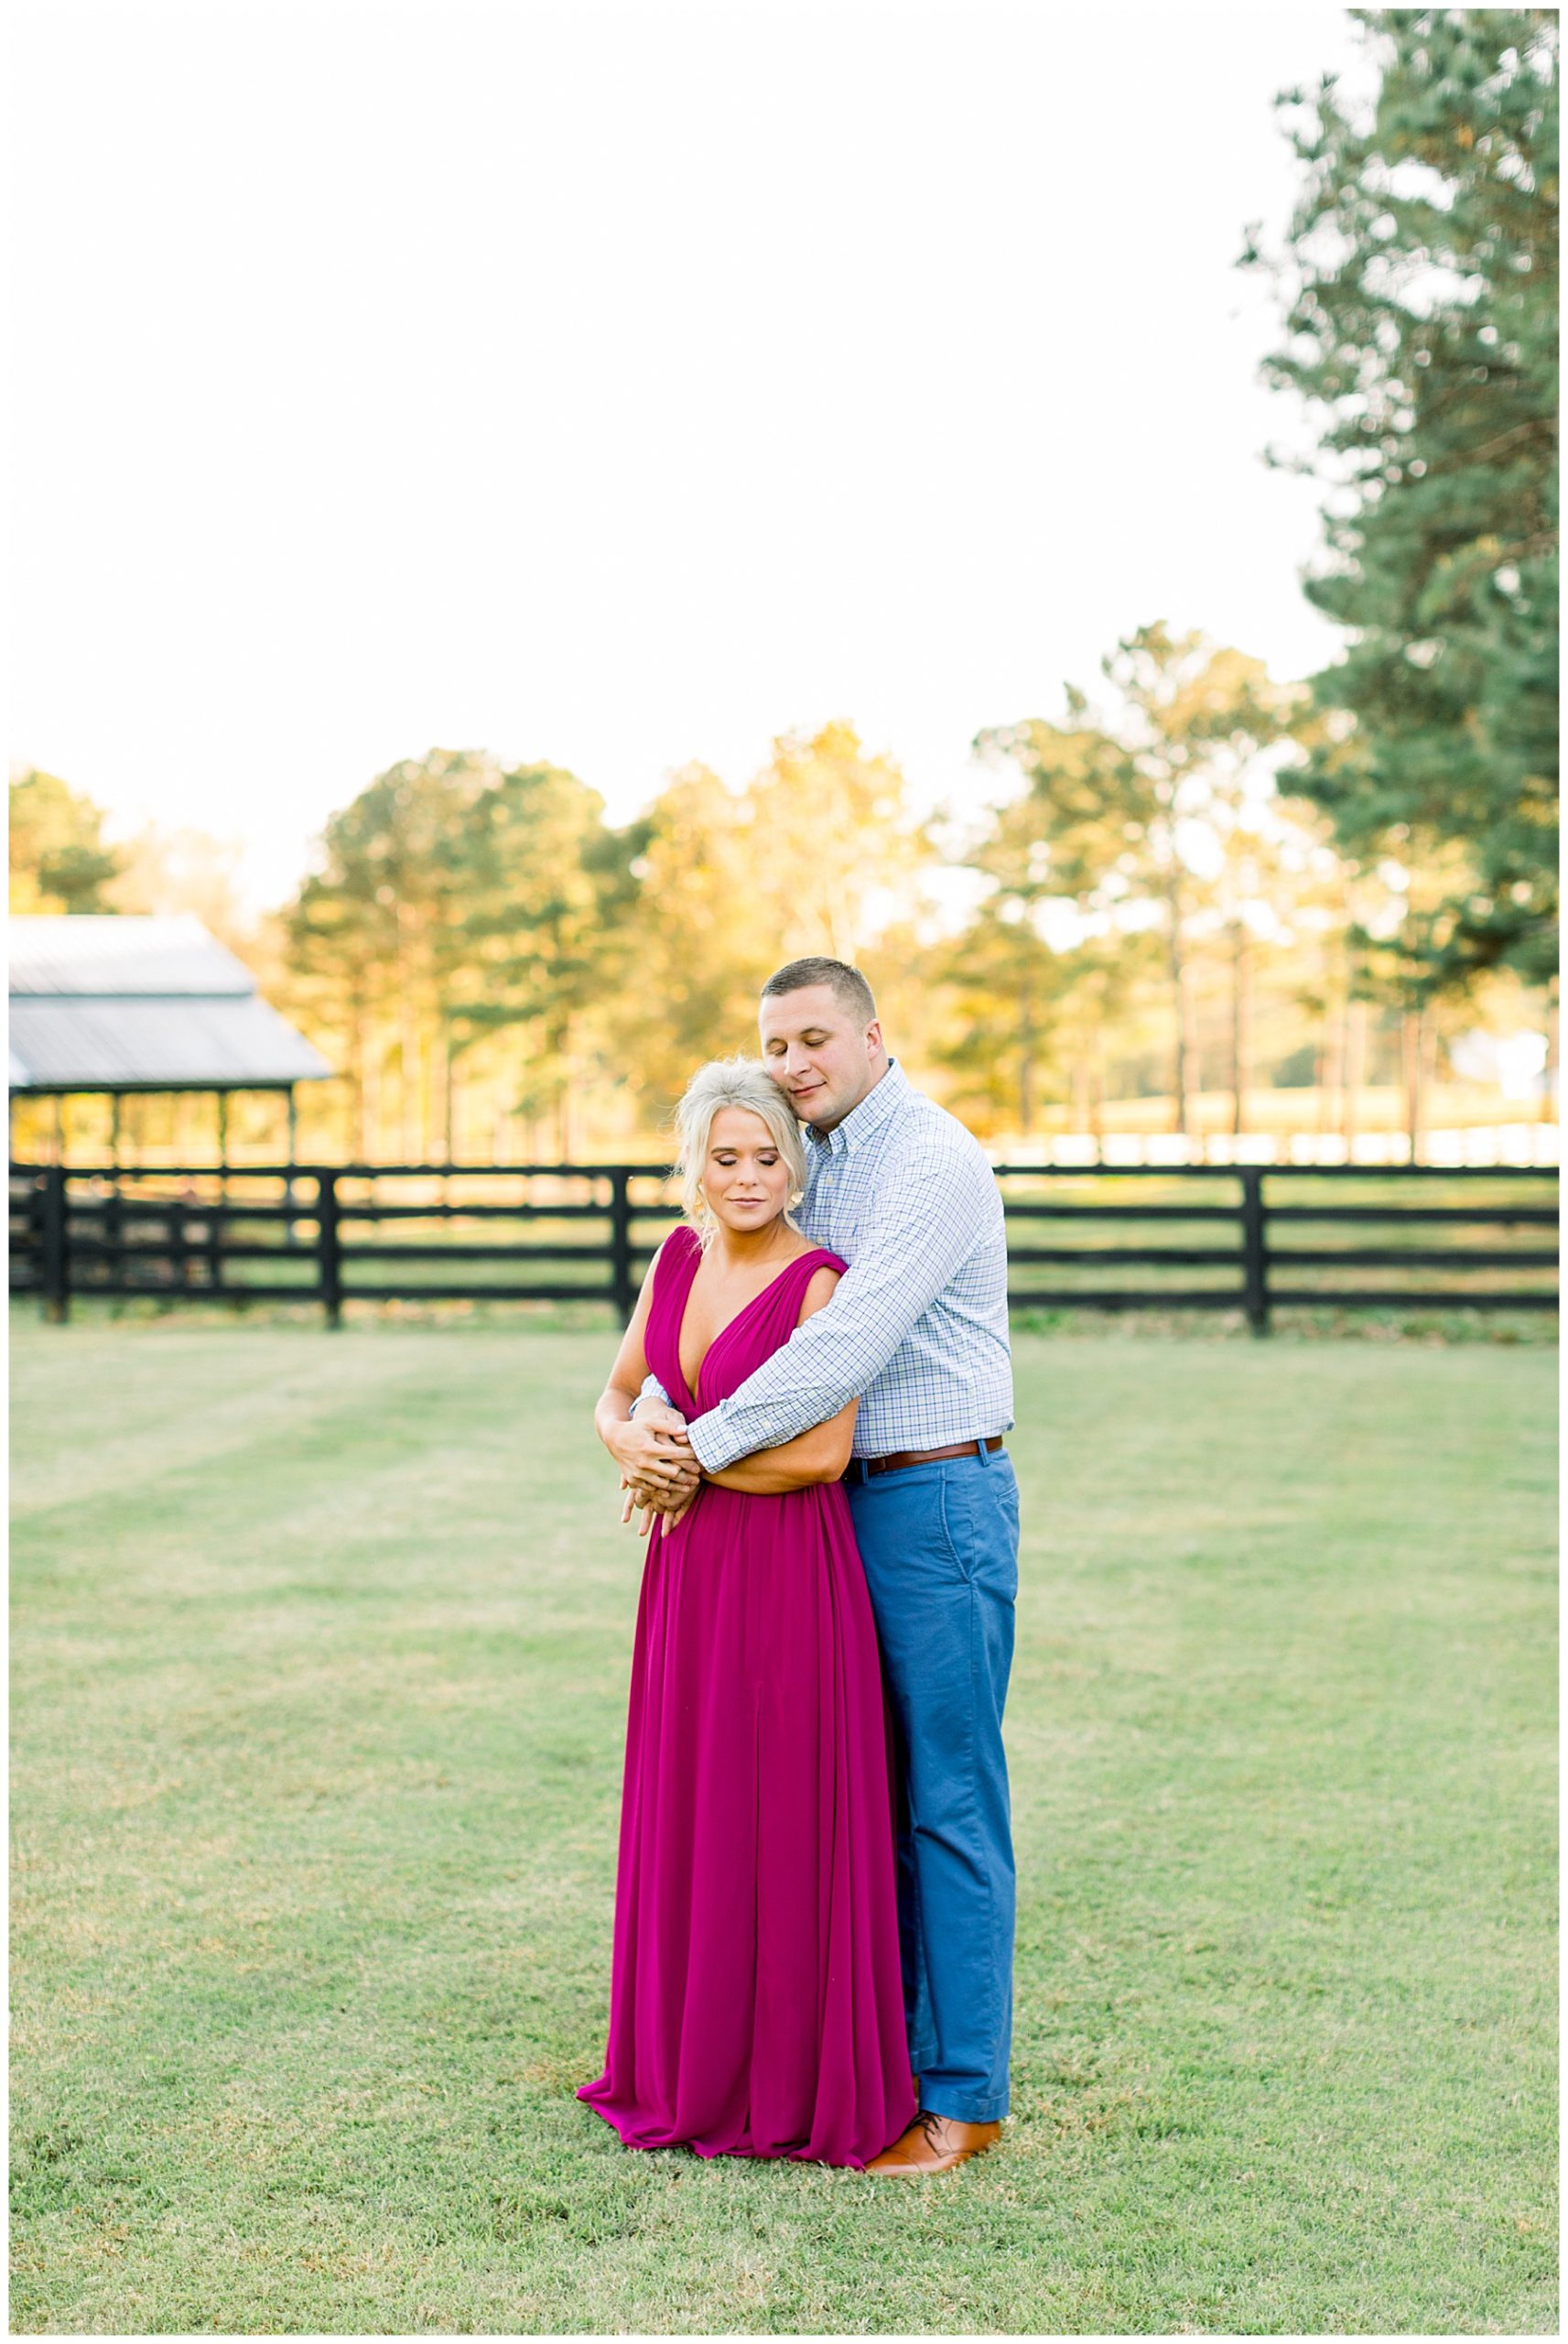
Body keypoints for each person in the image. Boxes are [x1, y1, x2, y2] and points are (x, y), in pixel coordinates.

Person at [610, 957, 1018, 2177]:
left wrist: (690, 1452)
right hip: (829, 1514)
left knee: (946, 1798)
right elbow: (732, 1292)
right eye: (775, 1043)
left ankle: (964, 2097)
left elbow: (843, 1344)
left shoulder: (930, 1160)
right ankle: (872, 2069)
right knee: (854, 1798)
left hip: (933, 1496)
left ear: (873, 1035)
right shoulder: (815, 1156)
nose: (792, 1064)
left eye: (812, 1039)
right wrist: (650, 1423)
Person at [578, 1057, 916, 2168]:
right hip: (687, 1574)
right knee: (697, 1799)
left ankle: (785, 2076)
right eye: (726, 1156)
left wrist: (684, 1468)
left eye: (769, 1155)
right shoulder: (675, 1259)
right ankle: (690, 2059)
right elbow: (617, 1390)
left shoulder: (822, 1281)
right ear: (697, 1162)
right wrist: (627, 1443)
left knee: (778, 1810)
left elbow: (821, 1455)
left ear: (795, 1164)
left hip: (786, 1575)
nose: (748, 1176)